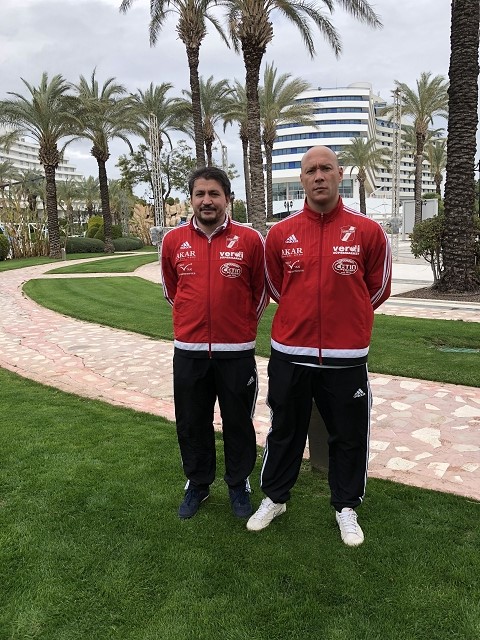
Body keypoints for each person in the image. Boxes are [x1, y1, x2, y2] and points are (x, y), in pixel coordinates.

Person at [246, 146, 392, 545]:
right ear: (302, 179)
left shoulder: (368, 231)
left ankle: (346, 507)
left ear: (340, 174)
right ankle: (275, 498)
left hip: (347, 357)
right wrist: (303, 315)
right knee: (284, 429)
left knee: (348, 433)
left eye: (326, 168)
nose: (319, 176)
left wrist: (347, 316)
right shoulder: (281, 234)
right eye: (311, 170)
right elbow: (276, 286)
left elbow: (377, 289)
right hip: (290, 354)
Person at [161, 167, 268, 520]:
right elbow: (173, 292)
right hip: (189, 352)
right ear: (191, 199)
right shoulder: (173, 241)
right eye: (200, 194)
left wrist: (239, 326)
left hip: (236, 352)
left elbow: (260, 293)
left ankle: (238, 484)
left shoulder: (250, 240)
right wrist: (192, 322)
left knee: (238, 422)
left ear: (228, 199)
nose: (206, 201)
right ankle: (198, 483)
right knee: (192, 421)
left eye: (214, 194)